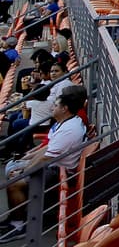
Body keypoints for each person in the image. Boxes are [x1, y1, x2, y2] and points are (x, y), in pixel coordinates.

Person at [0, 86, 88, 243]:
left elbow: (46, 158)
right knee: (15, 172)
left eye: (55, 106)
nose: (52, 108)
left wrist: (24, 171)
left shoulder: (69, 129)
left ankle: (19, 225)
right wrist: (25, 162)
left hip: (60, 173)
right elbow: (47, 148)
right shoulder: (64, 123)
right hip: (54, 166)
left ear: (64, 109)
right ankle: (14, 217)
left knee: (15, 183)